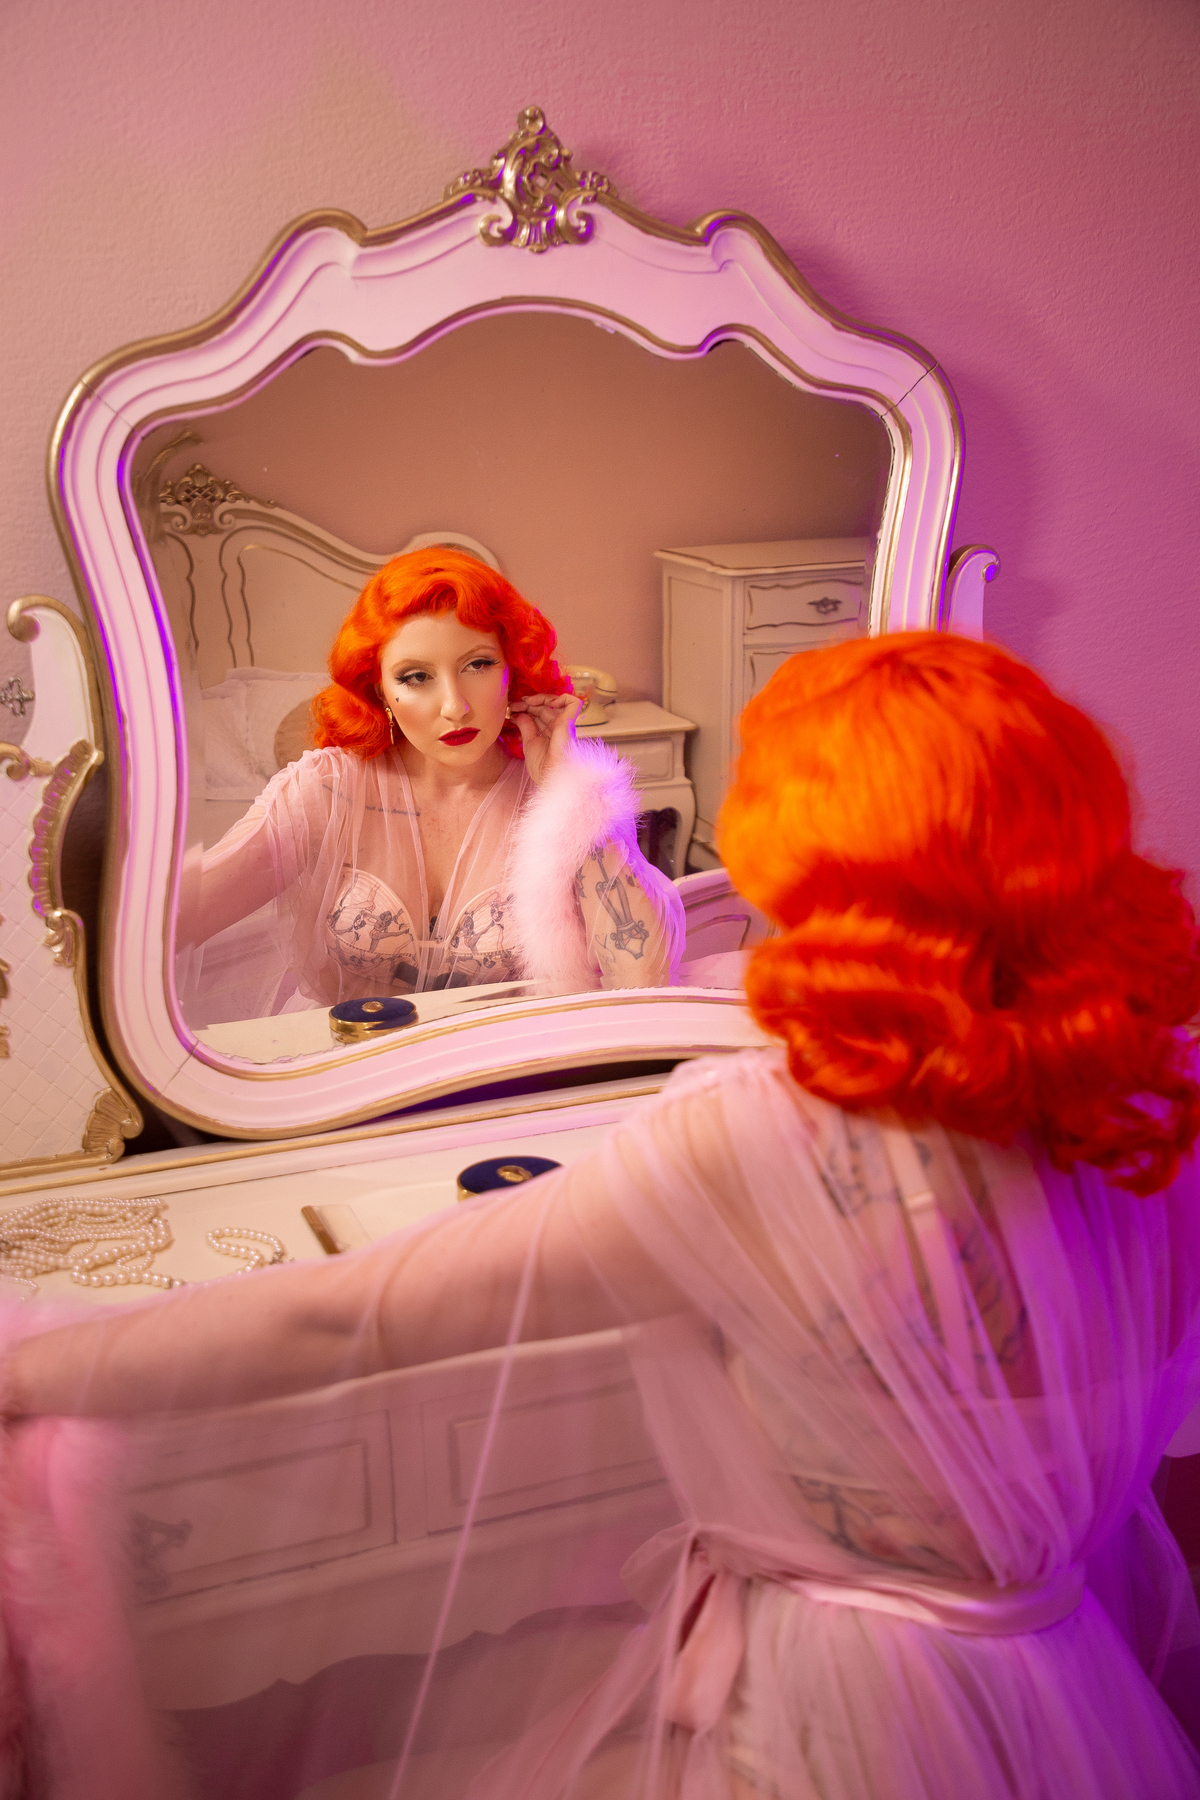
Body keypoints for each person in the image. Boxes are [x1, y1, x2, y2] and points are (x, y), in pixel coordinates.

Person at [5, 631, 1200, 1800]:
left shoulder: (762, 1138)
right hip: (1056, 1680)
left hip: (847, 1713)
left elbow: (348, 1318)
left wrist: (34, 1362)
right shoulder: (1148, 1098)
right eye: (416, 675)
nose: (452, 700)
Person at [177, 548, 684, 1016]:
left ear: (512, 669)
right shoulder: (326, 791)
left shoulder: (560, 796)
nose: (454, 706)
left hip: (503, 1065)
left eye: (478, 664)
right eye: (416, 677)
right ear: (380, 689)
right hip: (349, 1061)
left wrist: (569, 791)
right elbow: (176, 920)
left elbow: (643, 983)